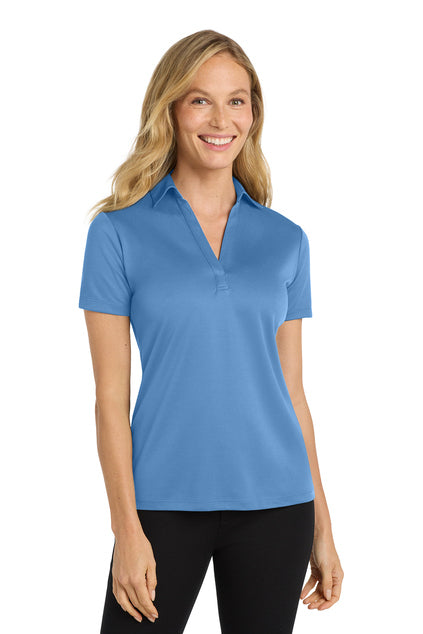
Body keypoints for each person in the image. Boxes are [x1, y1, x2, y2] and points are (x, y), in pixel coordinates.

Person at [78, 29, 344, 633]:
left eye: (236, 101)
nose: (221, 120)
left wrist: (323, 527)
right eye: (200, 100)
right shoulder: (117, 233)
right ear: (170, 110)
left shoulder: (286, 239)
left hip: (279, 504)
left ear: (253, 114)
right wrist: (126, 530)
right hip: (161, 503)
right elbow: (109, 399)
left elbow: (293, 394)